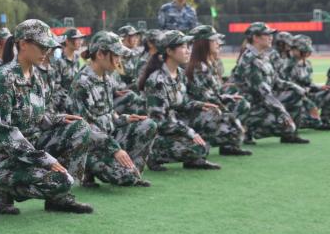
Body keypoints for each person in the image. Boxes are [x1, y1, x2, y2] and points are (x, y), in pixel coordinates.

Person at [0, 19, 94, 215]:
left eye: (48, 47)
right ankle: (1, 188)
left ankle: (59, 199)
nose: (46, 51)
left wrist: (57, 119)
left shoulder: (36, 78)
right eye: (42, 46)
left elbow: (36, 117)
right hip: (6, 158)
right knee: (61, 181)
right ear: (23, 44)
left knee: (80, 128)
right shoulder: (4, 78)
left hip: (32, 148)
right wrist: (44, 159)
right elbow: (2, 130)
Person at [68, 31, 155, 187]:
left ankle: (133, 172)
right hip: (92, 147)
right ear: (100, 54)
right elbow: (84, 128)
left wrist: (126, 119)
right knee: (123, 177)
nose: (118, 60)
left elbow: (108, 115)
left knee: (148, 125)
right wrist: (115, 149)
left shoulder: (106, 78)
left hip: (108, 139)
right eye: (115, 55)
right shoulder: (82, 83)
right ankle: (88, 169)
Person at [139, 30, 220, 170]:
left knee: (212, 113)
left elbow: (184, 103)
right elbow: (158, 121)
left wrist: (199, 105)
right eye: (183, 47)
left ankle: (195, 160)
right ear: (169, 51)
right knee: (198, 148)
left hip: (176, 124)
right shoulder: (157, 81)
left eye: (188, 46)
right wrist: (188, 131)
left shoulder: (180, 74)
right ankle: (154, 154)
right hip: (160, 133)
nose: (188, 51)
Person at [229, 22, 309, 143]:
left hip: (262, 103)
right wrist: (283, 113)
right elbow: (263, 93)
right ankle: (248, 129)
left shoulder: (263, 56)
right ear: (256, 38)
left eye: (271, 34)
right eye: (267, 34)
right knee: (284, 124)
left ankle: (289, 136)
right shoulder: (250, 59)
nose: (271, 37)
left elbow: (275, 81)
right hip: (252, 107)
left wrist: (296, 87)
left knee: (296, 93)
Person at [183, 25, 251, 156]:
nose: (218, 43)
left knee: (240, 103)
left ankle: (229, 146)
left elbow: (215, 93)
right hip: (198, 112)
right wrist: (230, 117)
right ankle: (201, 147)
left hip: (212, 106)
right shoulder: (198, 68)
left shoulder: (209, 64)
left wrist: (228, 98)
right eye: (213, 40)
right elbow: (206, 98)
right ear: (203, 43)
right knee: (221, 116)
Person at [281, 35, 330, 130]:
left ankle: (325, 122)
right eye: (303, 51)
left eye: (308, 51)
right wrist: (310, 105)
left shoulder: (307, 64)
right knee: (305, 121)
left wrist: (318, 87)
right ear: (293, 49)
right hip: (293, 101)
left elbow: (308, 83)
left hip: (307, 97)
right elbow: (287, 89)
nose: (307, 53)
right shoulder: (285, 65)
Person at [50, 28, 87, 113]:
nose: (80, 42)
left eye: (80, 39)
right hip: (62, 106)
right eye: (77, 39)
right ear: (67, 41)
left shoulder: (77, 60)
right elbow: (56, 89)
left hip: (77, 102)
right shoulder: (59, 61)